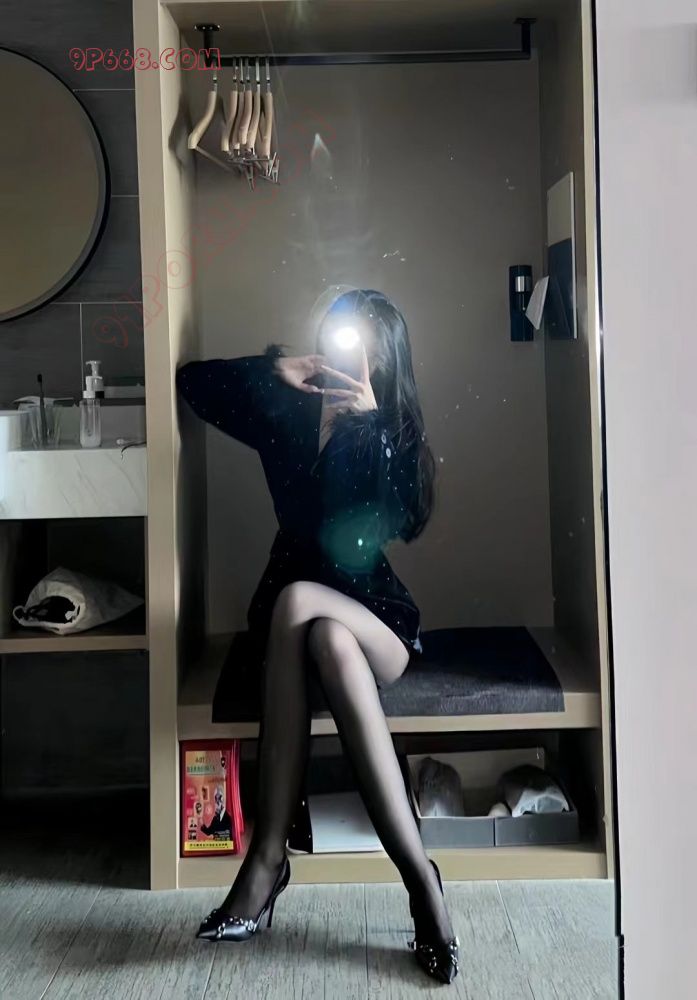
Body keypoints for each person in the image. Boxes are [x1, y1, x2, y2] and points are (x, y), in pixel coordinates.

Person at [176, 289, 458, 984]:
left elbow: (406, 520)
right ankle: (420, 882)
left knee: (309, 604)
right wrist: (274, 368)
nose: (350, 358)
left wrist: (373, 430)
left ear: (385, 361)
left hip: (378, 620)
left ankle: (268, 860)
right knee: (322, 632)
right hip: (301, 633)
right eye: (340, 339)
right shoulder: (288, 409)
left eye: (366, 349)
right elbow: (193, 385)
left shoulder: (389, 427)